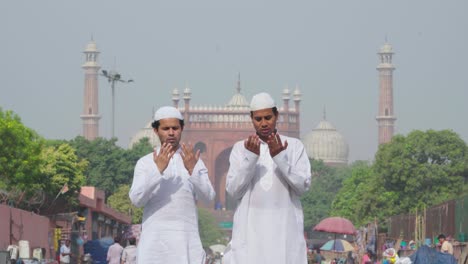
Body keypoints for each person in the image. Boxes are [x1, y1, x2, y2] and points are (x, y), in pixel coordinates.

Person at [223, 92, 312, 264]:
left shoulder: (294, 146)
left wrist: (280, 157)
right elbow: (233, 190)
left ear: (276, 115)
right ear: (251, 119)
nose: (263, 123)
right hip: (250, 232)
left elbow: (302, 186)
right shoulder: (241, 148)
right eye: (258, 119)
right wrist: (250, 158)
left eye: (268, 117)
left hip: (285, 231)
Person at [129, 106, 216, 263]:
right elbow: (136, 199)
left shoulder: (193, 161)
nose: (171, 133)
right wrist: (157, 170)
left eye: (175, 128)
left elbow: (209, 197)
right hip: (154, 246)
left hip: (187, 243)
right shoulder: (146, 162)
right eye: (165, 128)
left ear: (182, 128)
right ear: (156, 130)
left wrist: (193, 170)